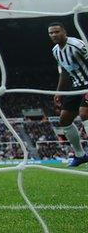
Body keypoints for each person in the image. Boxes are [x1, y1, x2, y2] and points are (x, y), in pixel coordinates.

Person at [48, 22, 88, 167]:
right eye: (51, 33)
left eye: (56, 32)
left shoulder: (77, 45)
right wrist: (59, 92)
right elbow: (64, 72)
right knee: (64, 119)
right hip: (76, 86)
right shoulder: (55, 51)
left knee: (84, 114)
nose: (54, 35)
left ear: (64, 32)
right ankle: (80, 155)